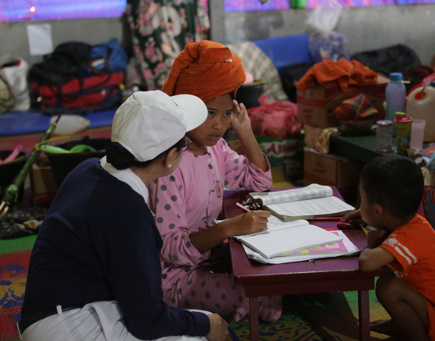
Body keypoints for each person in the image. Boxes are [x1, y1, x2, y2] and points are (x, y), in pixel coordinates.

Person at [20, 90, 230, 341]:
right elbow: (148, 321)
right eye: (183, 144)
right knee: (207, 331)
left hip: (51, 310)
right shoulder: (129, 214)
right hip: (69, 327)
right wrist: (205, 325)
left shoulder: (87, 169)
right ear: (171, 158)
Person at [148, 40, 281, 322]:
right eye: (209, 113)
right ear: (184, 109)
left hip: (207, 257)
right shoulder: (169, 166)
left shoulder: (215, 149)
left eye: (226, 114)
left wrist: (245, 133)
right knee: (260, 295)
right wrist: (229, 227)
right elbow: (171, 249)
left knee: (275, 270)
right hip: (173, 278)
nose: (219, 125)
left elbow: (260, 181)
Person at [344, 155, 435, 341]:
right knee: (387, 268)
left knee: (388, 288)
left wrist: (371, 235)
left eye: (361, 198)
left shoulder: (408, 237)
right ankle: (404, 327)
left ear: (378, 211)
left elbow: (366, 262)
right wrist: (368, 216)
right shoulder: (413, 223)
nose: (359, 204)